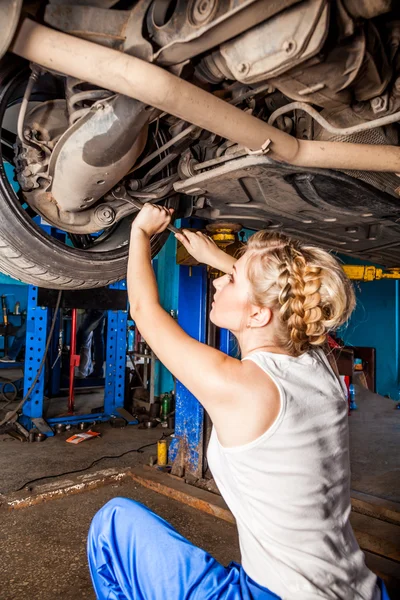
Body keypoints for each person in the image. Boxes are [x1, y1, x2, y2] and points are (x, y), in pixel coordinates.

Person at [87, 206, 389, 600]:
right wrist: (218, 259)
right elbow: (285, 298)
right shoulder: (317, 362)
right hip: (360, 591)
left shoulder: (242, 387)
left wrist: (140, 232)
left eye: (229, 280)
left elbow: (144, 311)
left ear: (260, 314)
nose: (216, 284)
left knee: (112, 525)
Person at [75, 309, 106, 378]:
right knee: (98, 338)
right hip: (100, 308)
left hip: (96, 308)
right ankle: (98, 371)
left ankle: (72, 367)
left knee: (81, 334)